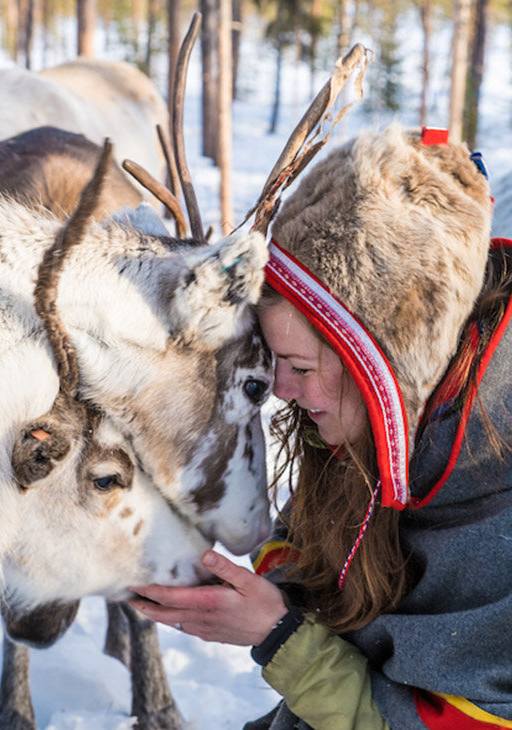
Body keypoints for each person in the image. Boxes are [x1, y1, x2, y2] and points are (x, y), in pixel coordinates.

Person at [128, 123, 512, 729]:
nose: (281, 389)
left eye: (300, 366)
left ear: (388, 360)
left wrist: (280, 636)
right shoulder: (378, 427)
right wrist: (262, 592)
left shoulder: (493, 514)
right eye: (276, 364)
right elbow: (312, 543)